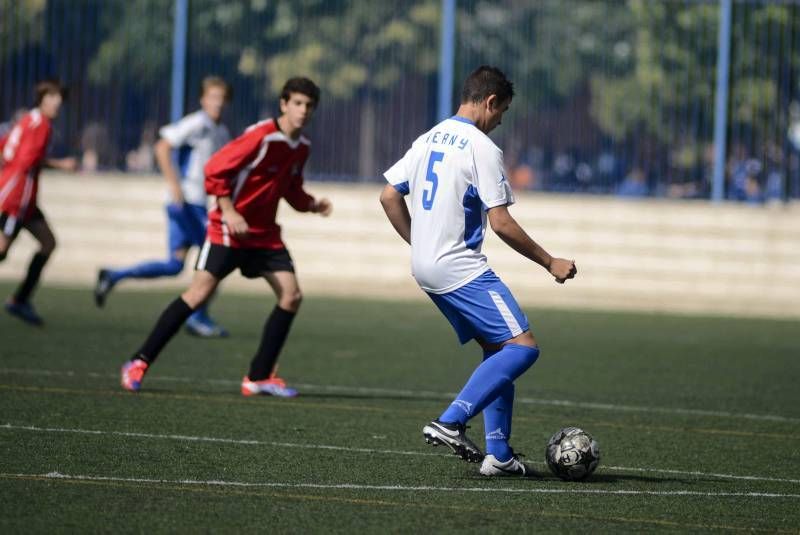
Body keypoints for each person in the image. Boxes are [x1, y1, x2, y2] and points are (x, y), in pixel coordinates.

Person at [380, 66, 577, 477]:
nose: (501, 121)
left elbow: (387, 196)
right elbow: (501, 222)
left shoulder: (427, 137)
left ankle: (499, 455)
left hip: (426, 267)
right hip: (460, 267)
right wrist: (550, 262)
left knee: (497, 349)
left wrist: (420, 245)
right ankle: (451, 420)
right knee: (523, 347)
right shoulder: (481, 147)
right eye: (502, 112)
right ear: (490, 102)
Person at [119, 77, 332, 397]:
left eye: (309, 106)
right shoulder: (260, 136)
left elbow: (290, 188)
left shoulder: (302, 147)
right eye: (297, 103)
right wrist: (230, 211)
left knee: (291, 296)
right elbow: (214, 169)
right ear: (283, 104)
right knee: (197, 296)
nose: (302, 111)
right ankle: (138, 361)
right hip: (227, 231)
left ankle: (258, 377)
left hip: (264, 236)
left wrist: (311, 204)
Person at [94, 76, 233, 337]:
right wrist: (175, 186)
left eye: (222, 99)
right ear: (203, 99)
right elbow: (162, 147)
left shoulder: (221, 132)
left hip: (197, 205)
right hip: (186, 204)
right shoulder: (196, 123)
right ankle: (198, 318)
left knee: (174, 265)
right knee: (219, 257)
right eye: (213, 97)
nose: (217, 103)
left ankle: (113, 276)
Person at [0, 80, 78, 325]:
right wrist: (61, 164)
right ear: (41, 98)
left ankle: (19, 300)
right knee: (2, 250)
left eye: (59, 98)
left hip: (25, 199)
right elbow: (26, 161)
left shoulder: (26, 120)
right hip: (17, 198)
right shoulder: (40, 124)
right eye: (51, 96)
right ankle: (19, 301)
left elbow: (5, 150)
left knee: (48, 243)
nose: (57, 102)